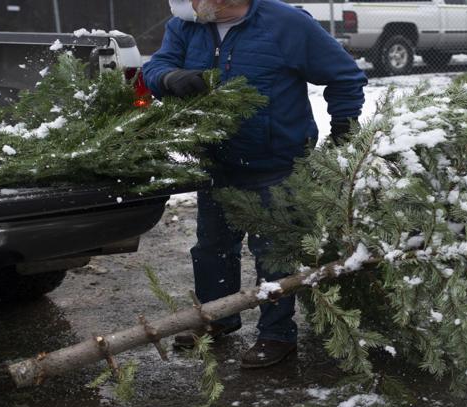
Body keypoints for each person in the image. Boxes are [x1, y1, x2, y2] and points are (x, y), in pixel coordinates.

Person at [144, 0, 366, 368]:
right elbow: (156, 66)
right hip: (216, 162)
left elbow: (344, 75)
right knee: (212, 248)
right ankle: (217, 317)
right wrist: (169, 78)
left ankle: (277, 334)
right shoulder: (185, 26)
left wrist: (344, 128)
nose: (186, 5)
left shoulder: (286, 23)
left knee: (273, 253)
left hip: (277, 163)